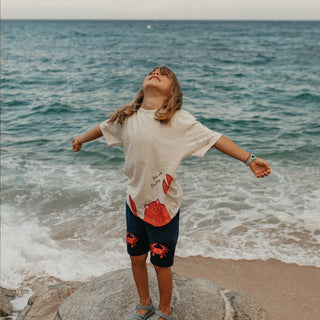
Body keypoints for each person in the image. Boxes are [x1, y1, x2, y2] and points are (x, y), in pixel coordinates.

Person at [72, 66, 271, 320]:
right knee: (136, 257)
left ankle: (165, 309)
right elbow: (101, 128)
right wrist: (80, 139)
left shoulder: (179, 120)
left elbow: (215, 138)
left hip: (164, 207)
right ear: (142, 86)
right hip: (134, 202)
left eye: (163, 75)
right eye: (152, 72)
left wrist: (249, 159)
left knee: (161, 262)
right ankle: (145, 304)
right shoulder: (126, 118)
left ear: (172, 92)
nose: (156, 74)